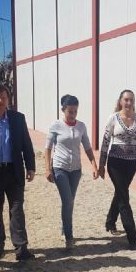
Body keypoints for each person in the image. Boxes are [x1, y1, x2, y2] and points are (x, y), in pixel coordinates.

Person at [0, 84, 36, 261]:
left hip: (13, 171)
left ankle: (21, 247)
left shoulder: (18, 118)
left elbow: (26, 143)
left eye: (3, 97)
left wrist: (31, 166)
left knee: (17, 210)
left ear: (8, 99)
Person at [44, 94, 99, 249]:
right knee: (68, 201)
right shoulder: (55, 126)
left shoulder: (81, 126)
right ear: (63, 110)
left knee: (70, 201)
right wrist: (48, 168)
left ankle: (64, 226)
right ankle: (69, 237)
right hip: (60, 168)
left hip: (76, 170)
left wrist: (94, 165)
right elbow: (47, 148)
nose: (73, 114)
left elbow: (87, 147)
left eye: (75, 111)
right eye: (70, 111)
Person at [97, 90, 136, 250]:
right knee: (124, 197)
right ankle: (132, 236)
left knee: (121, 192)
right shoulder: (113, 118)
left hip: (131, 163)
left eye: (131, 100)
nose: (128, 103)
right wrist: (101, 164)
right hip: (115, 163)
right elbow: (105, 141)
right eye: (126, 99)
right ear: (120, 101)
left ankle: (110, 221)